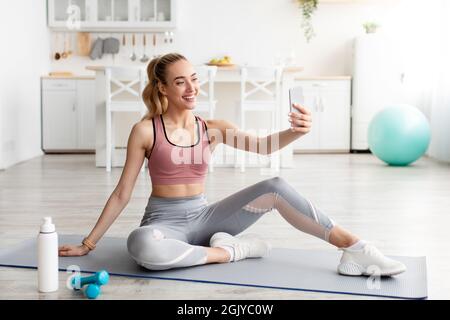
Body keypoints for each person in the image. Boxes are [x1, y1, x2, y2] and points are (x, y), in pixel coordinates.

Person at [59, 53, 406, 277]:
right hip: (165, 223)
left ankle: (357, 250)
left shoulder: (212, 128)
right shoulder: (145, 130)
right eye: (180, 81)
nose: (191, 87)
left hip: (206, 216)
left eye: (193, 78)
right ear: (163, 88)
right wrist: (88, 244)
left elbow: (263, 147)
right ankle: (230, 251)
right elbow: (122, 194)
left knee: (275, 187)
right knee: (141, 246)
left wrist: (295, 131)